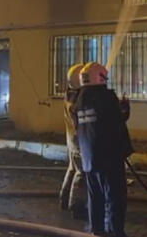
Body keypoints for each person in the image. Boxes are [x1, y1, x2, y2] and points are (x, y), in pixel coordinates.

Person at [74, 62, 132, 237]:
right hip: (109, 157)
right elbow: (116, 121)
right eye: (104, 78)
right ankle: (116, 232)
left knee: (95, 197)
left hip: (89, 158)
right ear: (99, 77)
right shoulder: (105, 96)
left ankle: (97, 231)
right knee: (115, 198)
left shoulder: (79, 98)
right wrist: (124, 109)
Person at [59, 63, 86, 219]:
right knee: (81, 173)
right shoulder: (77, 101)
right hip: (79, 141)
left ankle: (63, 199)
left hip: (72, 140)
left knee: (72, 169)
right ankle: (77, 206)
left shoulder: (69, 94)